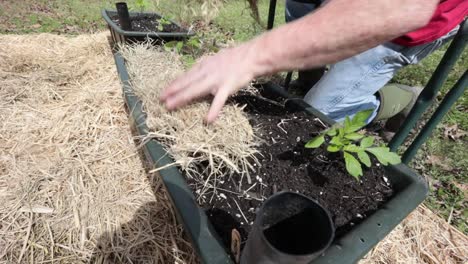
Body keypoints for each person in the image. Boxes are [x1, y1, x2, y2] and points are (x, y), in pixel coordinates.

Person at [160, 0, 467, 125]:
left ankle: (396, 100)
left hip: (403, 23)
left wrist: (253, 56)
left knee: (319, 114)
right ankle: (311, 77)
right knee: (300, 6)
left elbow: (401, 7)